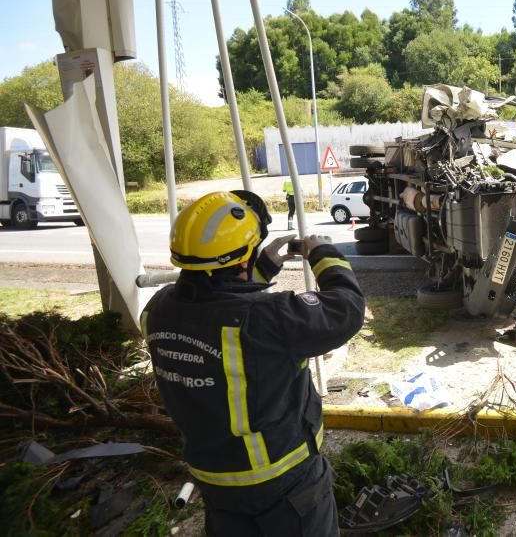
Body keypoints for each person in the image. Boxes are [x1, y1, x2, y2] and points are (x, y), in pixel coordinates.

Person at [142, 190, 365, 535]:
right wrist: (324, 255)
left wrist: (261, 270)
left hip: (215, 481)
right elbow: (345, 309)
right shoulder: (268, 318)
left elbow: (214, 306)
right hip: (283, 481)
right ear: (243, 258)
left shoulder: (156, 310)